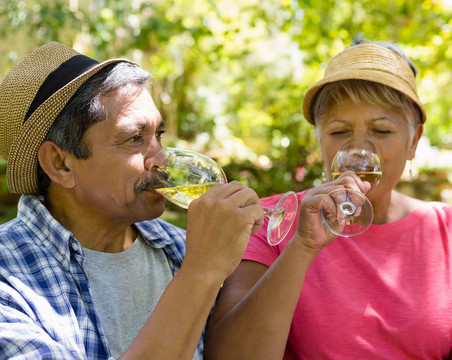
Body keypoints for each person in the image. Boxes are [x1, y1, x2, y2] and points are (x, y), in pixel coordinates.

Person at [204, 38, 452, 359]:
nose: (358, 150)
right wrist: (302, 247)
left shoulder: (446, 229)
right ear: (319, 139)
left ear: (413, 141)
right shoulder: (272, 219)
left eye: (381, 131)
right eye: (338, 132)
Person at [0, 42, 264, 359]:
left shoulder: (178, 246)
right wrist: (201, 272)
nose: (163, 160)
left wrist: (303, 246)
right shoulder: (9, 279)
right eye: (135, 138)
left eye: (159, 135)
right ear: (61, 164)